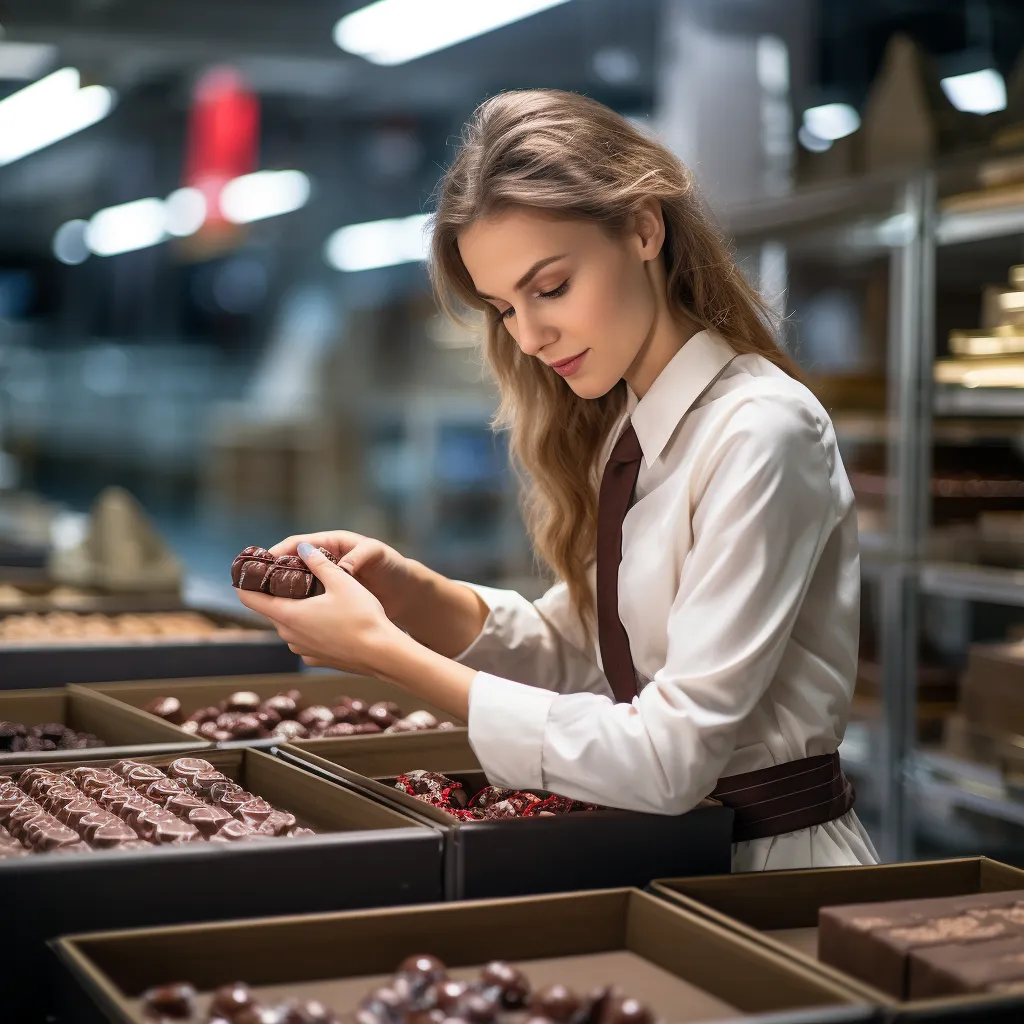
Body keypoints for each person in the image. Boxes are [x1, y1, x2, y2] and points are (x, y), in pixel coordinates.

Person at [236, 88, 878, 872]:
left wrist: (390, 657)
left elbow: (669, 759)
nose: (531, 337)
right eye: (503, 308)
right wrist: (415, 596)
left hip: (770, 876)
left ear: (645, 228)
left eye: (551, 288)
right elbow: (588, 651)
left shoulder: (761, 430)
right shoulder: (628, 427)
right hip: (661, 856)